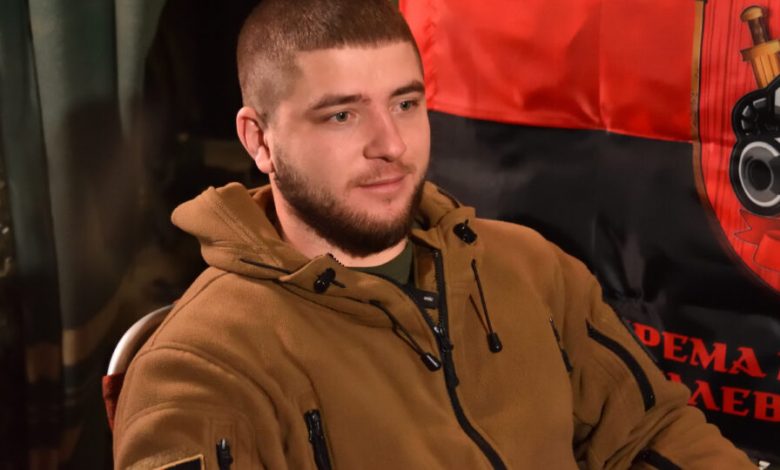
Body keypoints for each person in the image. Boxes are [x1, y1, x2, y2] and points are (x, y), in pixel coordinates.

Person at [112, 0, 755, 468]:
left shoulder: (528, 267)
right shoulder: (198, 370)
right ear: (260, 140)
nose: (390, 144)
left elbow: (651, 432)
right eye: (341, 115)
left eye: (406, 103)